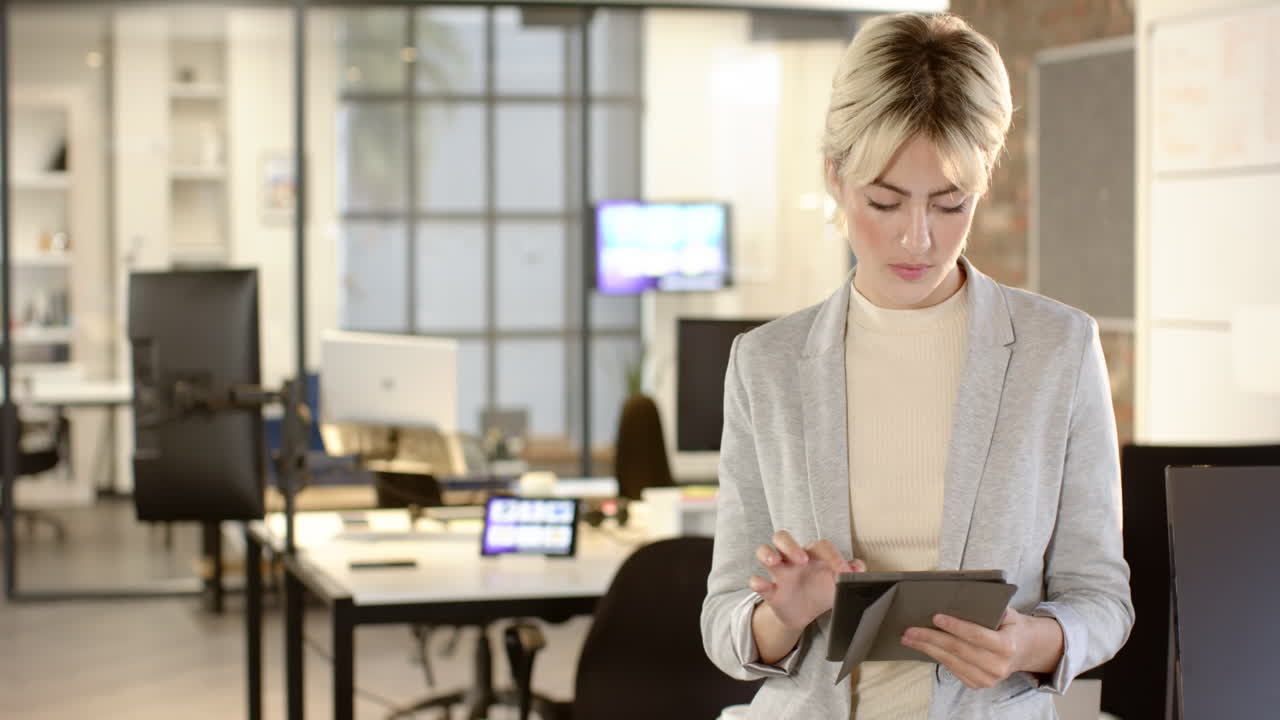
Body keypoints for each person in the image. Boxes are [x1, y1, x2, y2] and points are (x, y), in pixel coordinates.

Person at [700, 12, 1134, 719]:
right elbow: (725, 621)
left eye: (950, 202)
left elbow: (1102, 600)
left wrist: (1032, 643)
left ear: (983, 179)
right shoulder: (766, 364)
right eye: (885, 200)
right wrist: (783, 615)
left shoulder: (1058, 350)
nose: (917, 237)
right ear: (836, 178)